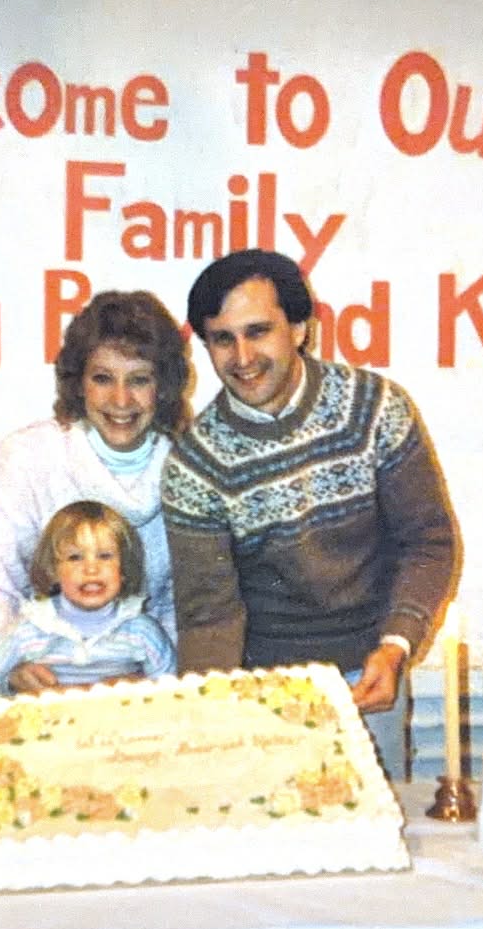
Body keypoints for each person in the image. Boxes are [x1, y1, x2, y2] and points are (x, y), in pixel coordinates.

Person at [161, 249, 458, 778]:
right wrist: (211, 713)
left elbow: (429, 542)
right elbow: (210, 615)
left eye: (259, 331)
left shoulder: (376, 409)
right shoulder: (196, 462)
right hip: (260, 688)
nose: (243, 356)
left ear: (299, 328)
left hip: (372, 673)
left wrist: (395, 646)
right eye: (223, 339)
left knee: (375, 843)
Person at [0, 290, 190, 693]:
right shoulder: (28, 457)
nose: (121, 400)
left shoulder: (189, 467)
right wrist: (14, 666)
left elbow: (178, 604)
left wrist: (153, 681)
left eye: (139, 380)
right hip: (43, 689)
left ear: (164, 387)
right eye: (103, 378)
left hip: (137, 694)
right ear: (79, 384)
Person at [0, 501, 175, 697]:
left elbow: (174, 693)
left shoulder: (142, 632)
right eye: (75, 557)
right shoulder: (28, 631)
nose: (91, 568)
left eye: (105, 556)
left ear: (124, 569)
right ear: (52, 570)